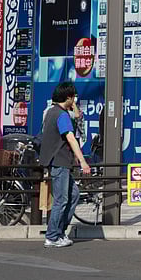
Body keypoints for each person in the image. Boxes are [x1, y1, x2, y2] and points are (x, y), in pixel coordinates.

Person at [39, 81, 91, 247]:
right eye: (73, 97)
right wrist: (83, 161)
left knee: (73, 195)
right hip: (59, 162)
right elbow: (70, 137)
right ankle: (53, 236)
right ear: (68, 98)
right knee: (61, 200)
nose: (74, 100)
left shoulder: (51, 112)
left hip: (59, 162)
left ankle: (59, 232)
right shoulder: (61, 115)